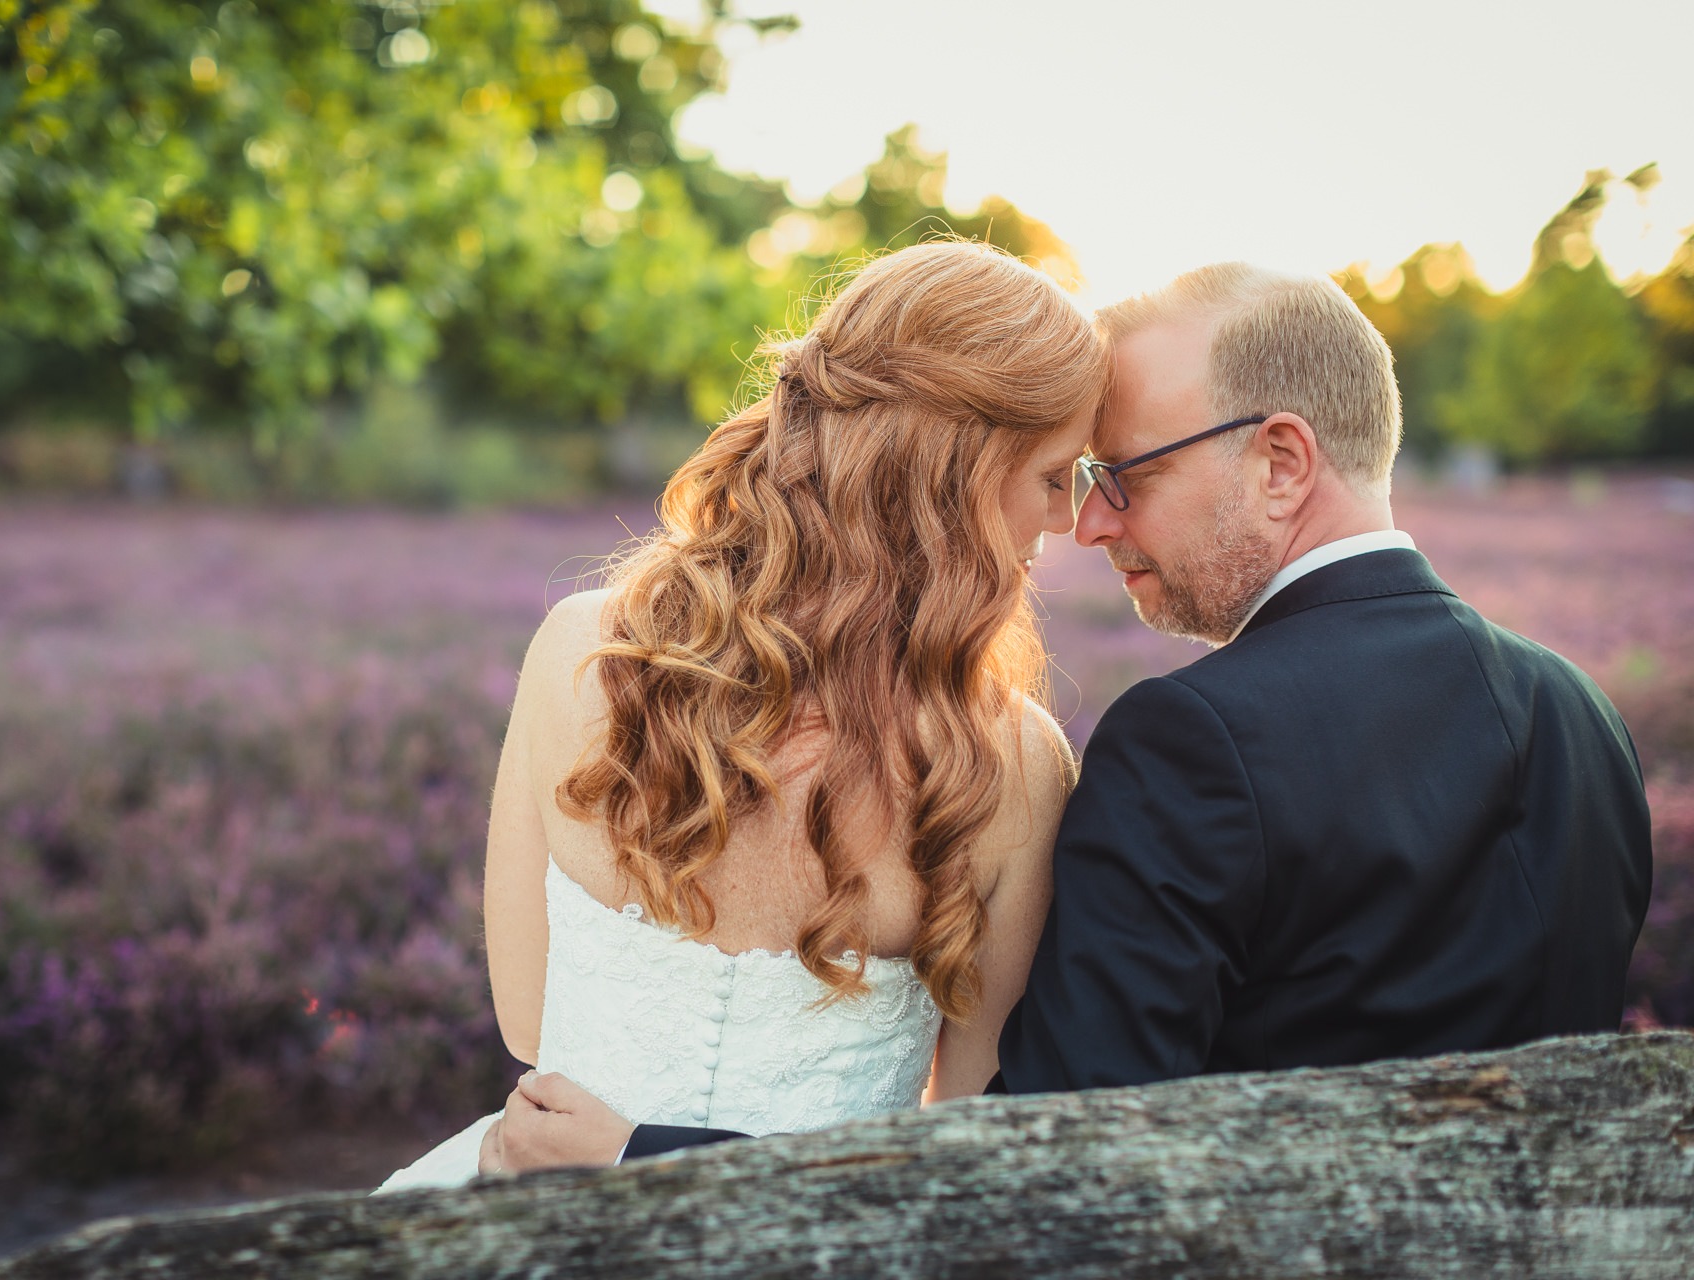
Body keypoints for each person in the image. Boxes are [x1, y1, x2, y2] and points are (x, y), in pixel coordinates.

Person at [490, 262, 1653, 1172]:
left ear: (1284, 461)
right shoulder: (1588, 725)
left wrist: (642, 1158)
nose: (1088, 530)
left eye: (1118, 476)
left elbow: (1044, 1160)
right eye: (1066, 481)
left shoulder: (1194, 741)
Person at [374, 240, 1110, 1191]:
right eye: (1056, 477)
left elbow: (527, 1018)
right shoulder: (1010, 761)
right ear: (957, 474)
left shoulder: (579, 652)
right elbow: (955, 1134)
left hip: (531, 1197)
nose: (1065, 522)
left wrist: (630, 1146)